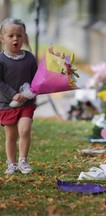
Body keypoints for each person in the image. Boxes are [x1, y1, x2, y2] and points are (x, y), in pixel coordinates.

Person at [0, 18, 38, 174]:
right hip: (6, 104)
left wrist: (33, 91)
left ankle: (23, 161)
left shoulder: (29, 58)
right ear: (2, 38)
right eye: (11, 36)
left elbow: (36, 78)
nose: (15, 39)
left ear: (25, 37)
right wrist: (13, 94)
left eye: (19, 35)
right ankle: (12, 163)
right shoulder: (1, 60)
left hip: (26, 104)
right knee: (11, 135)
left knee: (25, 129)